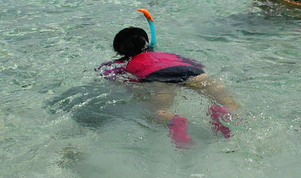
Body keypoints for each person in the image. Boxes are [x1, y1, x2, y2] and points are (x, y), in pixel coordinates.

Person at [99, 10, 239, 149]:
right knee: (228, 100)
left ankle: (175, 121)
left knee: (159, 111)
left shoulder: (122, 64)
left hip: (158, 76)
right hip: (190, 71)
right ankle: (223, 111)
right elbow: (197, 64)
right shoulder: (167, 55)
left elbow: (115, 77)